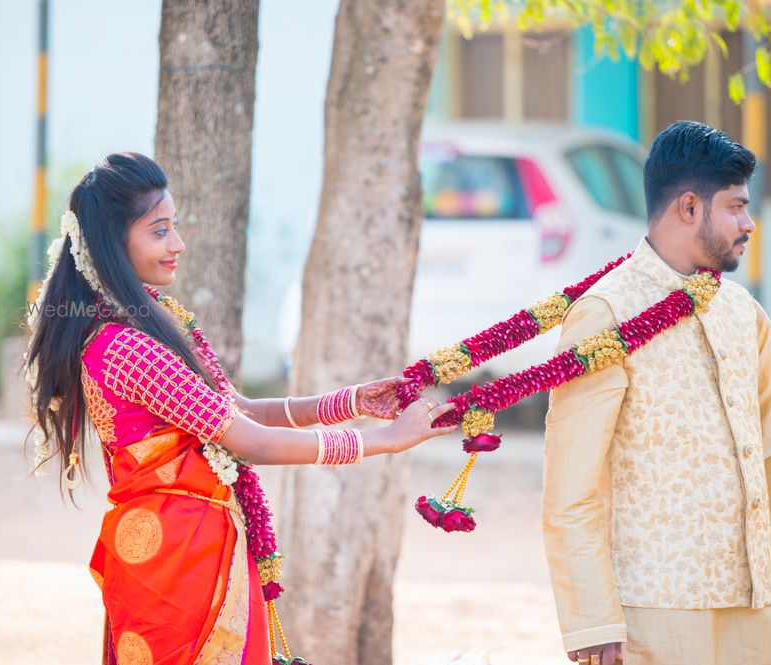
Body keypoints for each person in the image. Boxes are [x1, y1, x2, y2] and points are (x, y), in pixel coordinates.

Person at [23, 152, 456, 664]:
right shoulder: (124, 346)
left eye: (175, 227)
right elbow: (249, 440)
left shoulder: (142, 323)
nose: (177, 244)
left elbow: (235, 408)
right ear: (113, 242)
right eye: (159, 231)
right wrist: (381, 441)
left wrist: (350, 402)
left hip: (193, 547)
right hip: (177, 561)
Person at [541, 121, 771, 665]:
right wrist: (591, 620)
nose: (749, 223)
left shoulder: (743, 314)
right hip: (650, 613)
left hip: (750, 606)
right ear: (689, 208)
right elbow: (572, 487)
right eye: (735, 207)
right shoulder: (606, 313)